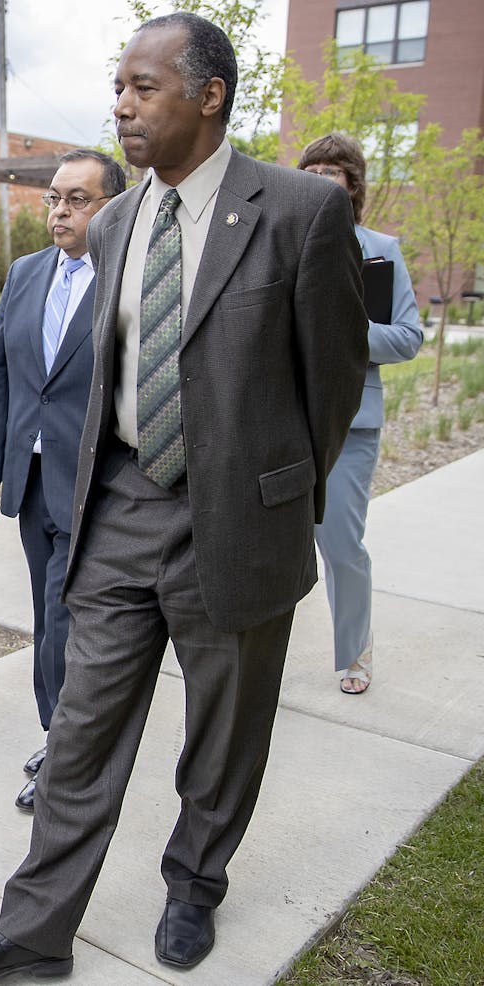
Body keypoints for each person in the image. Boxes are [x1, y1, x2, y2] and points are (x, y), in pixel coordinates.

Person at [0, 12, 367, 981]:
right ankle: (34, 928)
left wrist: (274, 497)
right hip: (121, 507)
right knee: (79, 726)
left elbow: (329, 386)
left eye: (141, 87)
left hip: (237, 522)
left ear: (207, 96)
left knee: (221, 729)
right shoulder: (118, 220)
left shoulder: (297, 211)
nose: (119, 106)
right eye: (116, 87)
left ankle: (193, 882)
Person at [0, 149, 125, 814]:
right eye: (54, 198)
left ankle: (64, 754)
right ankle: (58, 734)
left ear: (112, 207)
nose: (60, 211)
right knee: (45, 615)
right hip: (30, 480)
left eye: (78, 199)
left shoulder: (128, 279)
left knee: (65, 621)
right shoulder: (26, 273)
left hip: (97, 485)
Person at [297, 132, 423, 695]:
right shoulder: (281, 241)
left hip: (351, 423)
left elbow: (406, 337)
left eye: (334, 170)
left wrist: (345, 332)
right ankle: (256, 659)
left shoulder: (378, 251)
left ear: (353, 184)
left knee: (341, 545)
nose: (323, 179)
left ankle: (355, 651)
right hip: (283, 420)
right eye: (313, 169)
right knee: (272, 546)